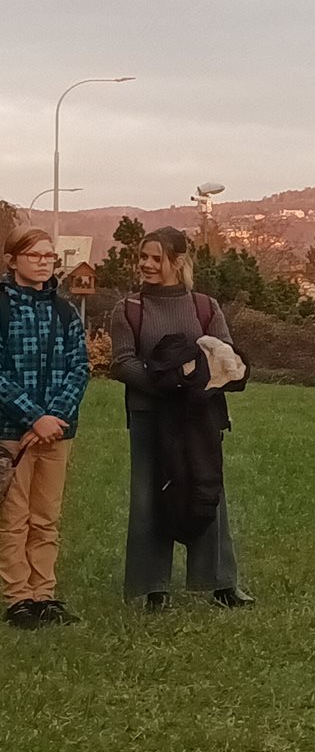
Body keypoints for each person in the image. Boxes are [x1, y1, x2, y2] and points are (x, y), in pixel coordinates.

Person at [111, 226, 252, 610]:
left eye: (156, 258)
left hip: (200, 416)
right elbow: (121, 362)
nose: (146, 264)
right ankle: (152, 587)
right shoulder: (128, 309)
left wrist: (192, 388)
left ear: (178, 262)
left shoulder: (206, 307)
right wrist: (171, 385)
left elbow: (224, 356)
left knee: (209, 491)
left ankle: (222, 583)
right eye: (143, 256)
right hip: (149, 417)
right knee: (148, 496)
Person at [0, 227, 89, 628]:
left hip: (57, 432)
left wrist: (54, 417)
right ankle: (18, 596)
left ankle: (44, 593)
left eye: (49, 256)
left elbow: (79, 367)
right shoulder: (3, 308)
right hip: (11, 431)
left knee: (46, 517)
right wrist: (32, 417)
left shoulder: (65, 311)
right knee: (14, 517)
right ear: (12, 260)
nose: (42, 262)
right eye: (34, 255)